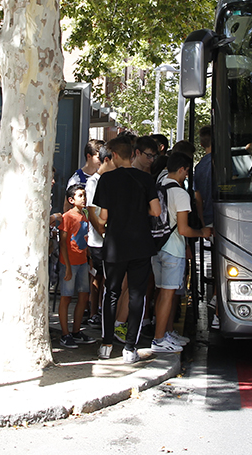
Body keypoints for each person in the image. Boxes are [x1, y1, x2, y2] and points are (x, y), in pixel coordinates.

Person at [91, 137, 162, 364]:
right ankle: (130, 347)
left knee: (110, 292)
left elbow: (103, 217)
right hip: (141, 244)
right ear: (133, 155)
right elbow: (156, 211)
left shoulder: (106, 180)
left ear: (113, 156)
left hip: (115, 244)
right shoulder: (145, 179)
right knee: (136, 294)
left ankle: (106, 344)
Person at [151, 152, 212, 353]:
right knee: (168, 295)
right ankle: (159, 339)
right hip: (173, 249)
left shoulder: (157, 187)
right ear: (183, 169)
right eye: (186, 172)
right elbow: (184, 229)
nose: (187, 176)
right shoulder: (180, 193)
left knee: (161, 293)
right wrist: (202, 232)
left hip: (156, 247)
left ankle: (165, 333)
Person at [58, 183, 95, 348]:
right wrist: (66, 266)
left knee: (83, 296)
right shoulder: (68, 216)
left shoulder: (85, 214)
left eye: (84, 195)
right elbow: (63, 243)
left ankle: (76, 331)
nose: (84, 198)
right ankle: (65, 334)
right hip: (70, 263)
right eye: (80, 195)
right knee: (66, 297)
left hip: (82, 262)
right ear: (71, 200)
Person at [84, 144, 115, 327]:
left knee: (106, 277)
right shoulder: (93, 182)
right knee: (98, 277)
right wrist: (102, 232)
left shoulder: (109, 180)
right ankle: (94, 312)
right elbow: (91, 211)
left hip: (107, 239)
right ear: (106, 160)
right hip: (97, 241)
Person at [194, 125, 214, 228]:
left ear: (201, 144)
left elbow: (198, 199)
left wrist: (202, 222)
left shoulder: (198, 167)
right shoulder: (225, 161)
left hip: (208, 217)